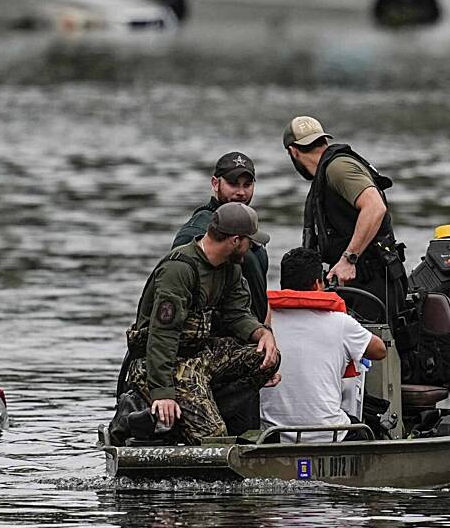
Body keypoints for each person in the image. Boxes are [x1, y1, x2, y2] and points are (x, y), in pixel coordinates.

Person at [122, 203, 280, 445]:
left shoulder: (230, 269)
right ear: (235, 241)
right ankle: (150, 419)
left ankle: (198, 409)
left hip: (199, 358)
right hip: (161, 365)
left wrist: (262, 333)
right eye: (250, 241)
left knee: (266, 358)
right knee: (213, 438)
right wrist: (162, 393)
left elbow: (238, 314)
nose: (252, 248)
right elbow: (162, 336)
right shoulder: (179, 269)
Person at [282, 115, 408, 325]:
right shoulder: (327, 173)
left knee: (374, 353)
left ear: (293, 152)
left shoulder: (338, 168)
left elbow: (375, 208)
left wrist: (348, 259)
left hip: (374, 282)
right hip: (358, 283)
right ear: (324, 141)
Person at [260, 247, 386, 443]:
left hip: (273, 437)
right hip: (330, 434)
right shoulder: (341, 322)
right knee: (370, 427)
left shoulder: (262, 324)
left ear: (283, 284)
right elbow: (380, 350)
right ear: (317, 284)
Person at [173, 151, 270, 326]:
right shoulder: (195, 232)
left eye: (247, 185)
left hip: (252, 332)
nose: (241, 192)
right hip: (216, 338)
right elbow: (175, 289)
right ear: (215, 183)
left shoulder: (252, 233)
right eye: (233, 184)